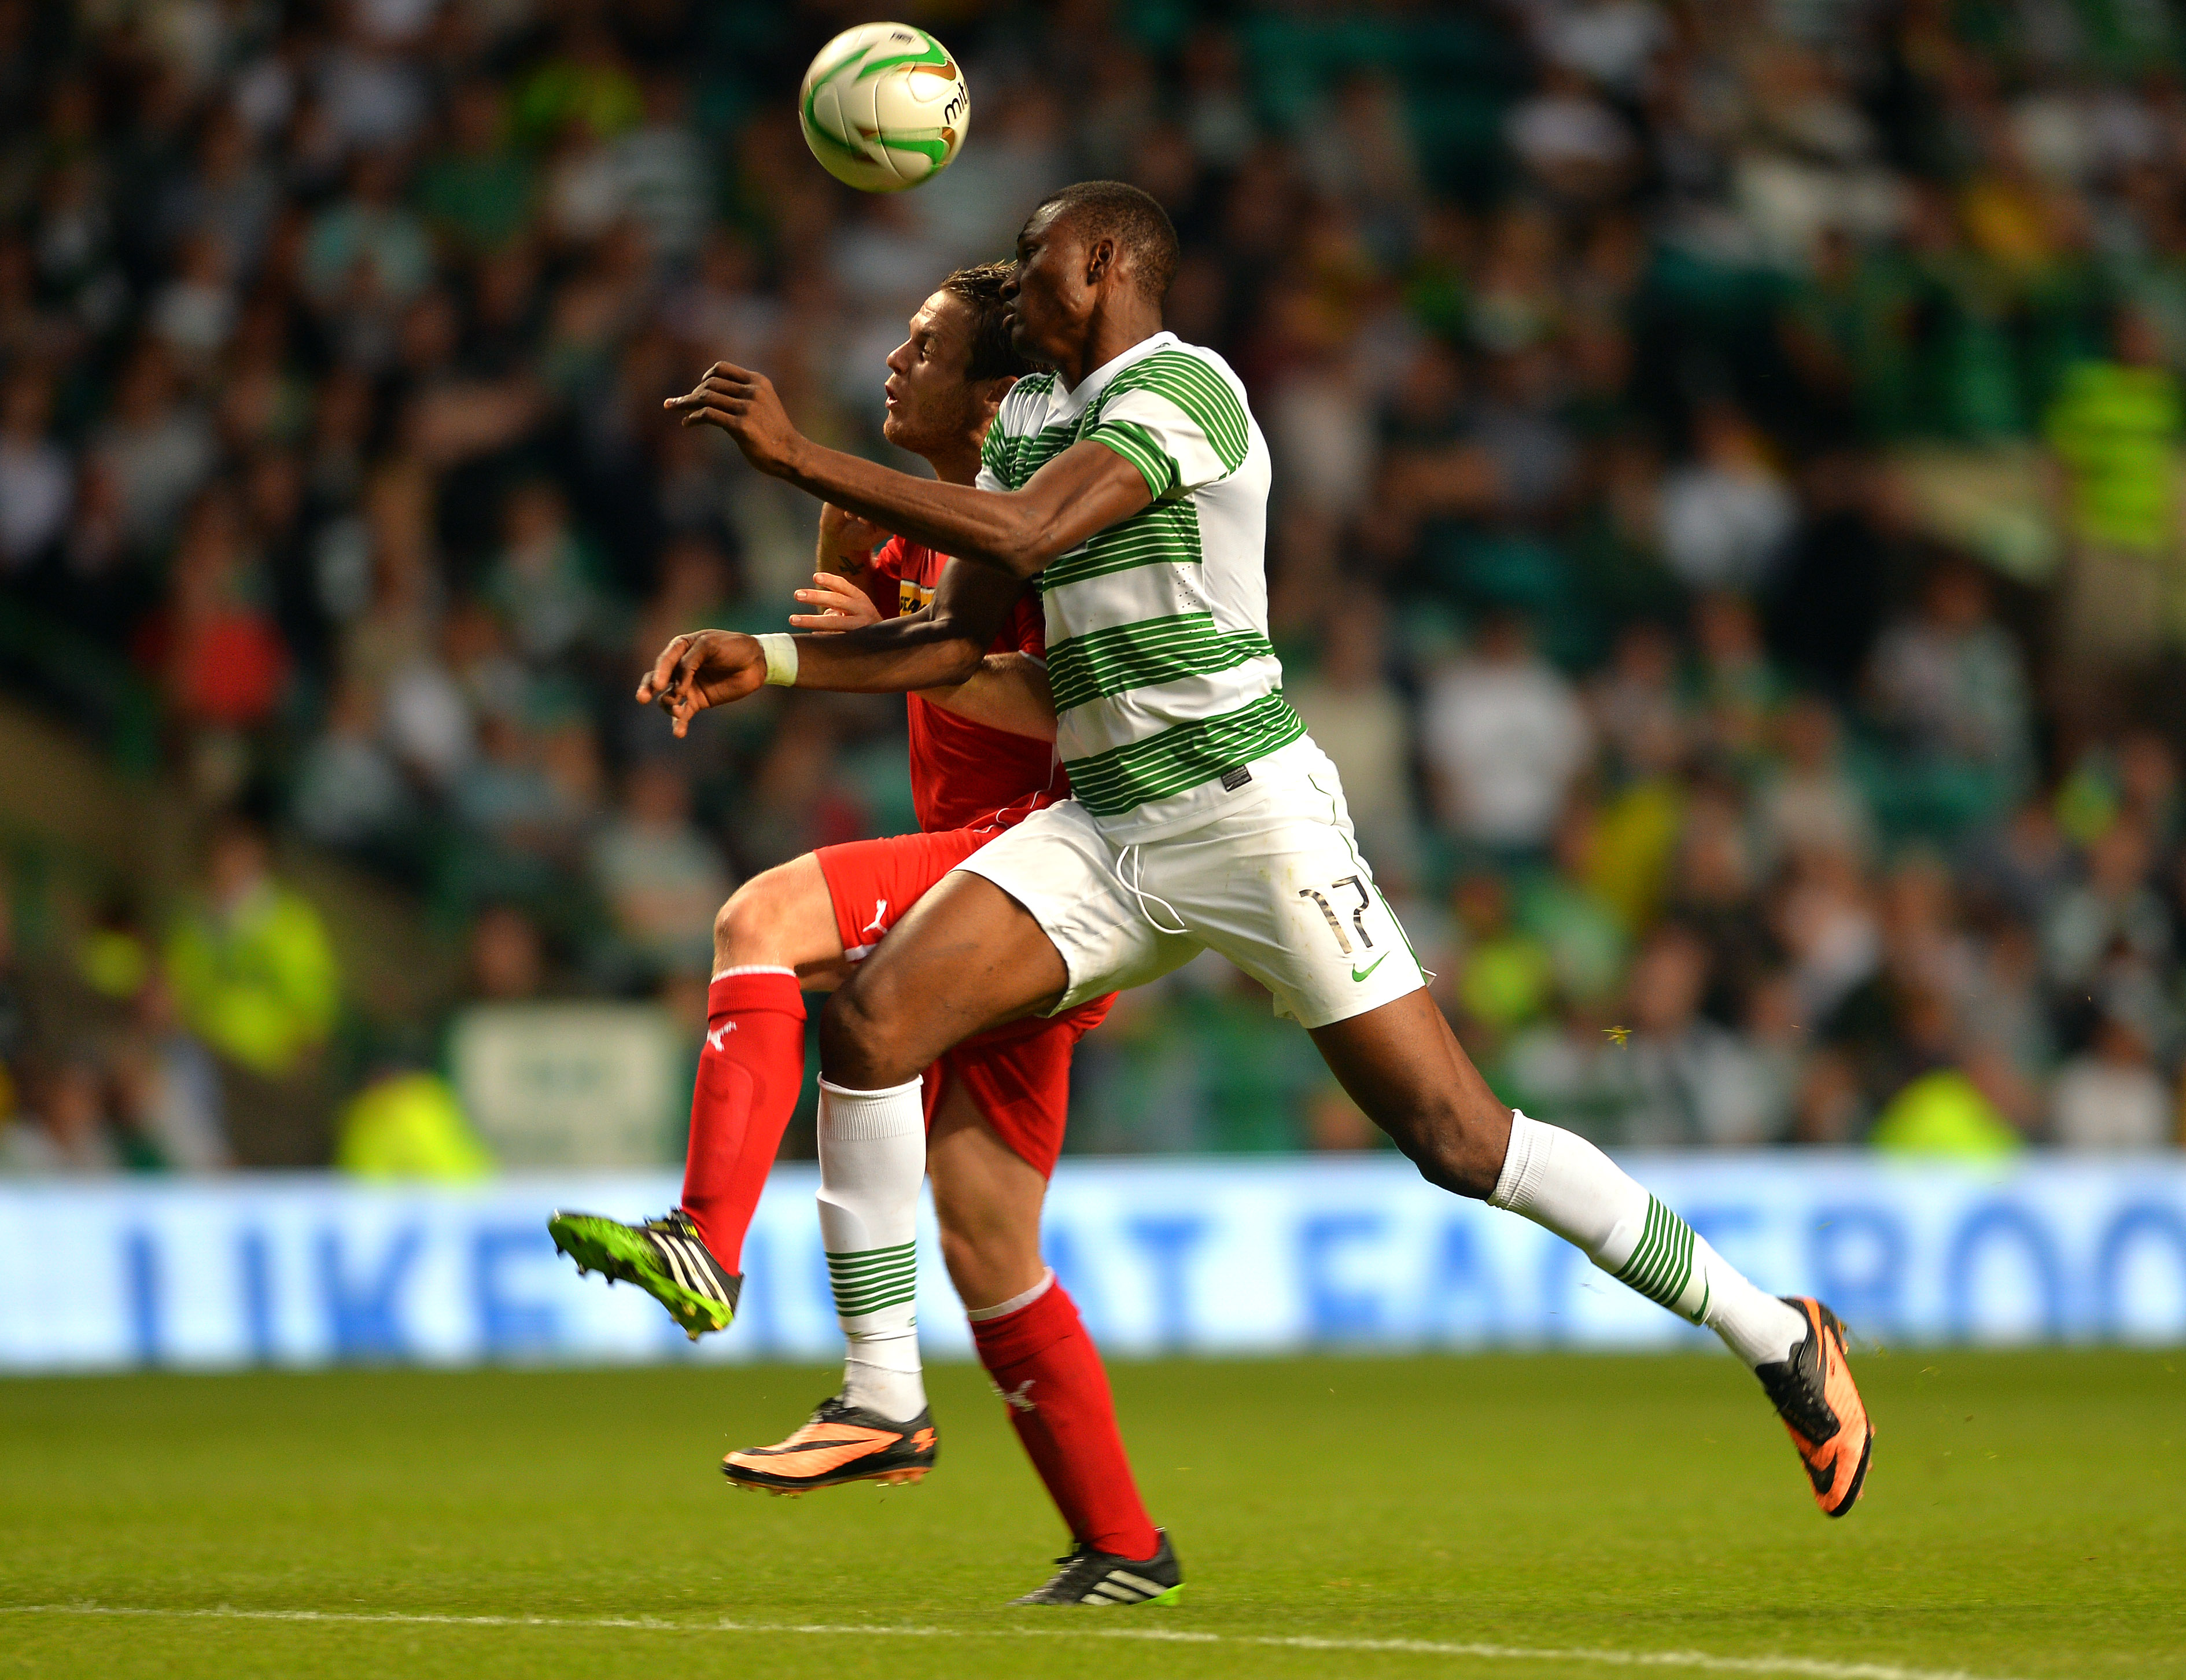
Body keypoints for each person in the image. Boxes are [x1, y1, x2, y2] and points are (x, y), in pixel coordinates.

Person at [654, 181, 1874, 1535]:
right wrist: (765, 658)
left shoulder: (1190, 391)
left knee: (1460, 1140)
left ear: (1106, 261)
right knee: (877, 1020)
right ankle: (884, 1400)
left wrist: (799, 459)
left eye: (1038, 252)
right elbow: (959, 642)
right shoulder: (1041, 421)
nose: (1019, 269)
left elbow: (1036, 536)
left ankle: (1776, 1332)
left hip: (1250, 818)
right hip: (1106, 828)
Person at [548, 262, 1175, 1606]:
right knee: (989, 1244)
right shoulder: (931, 518)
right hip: (1016, 906)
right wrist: (835, 497)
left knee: (760, 916)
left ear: (1001, 392)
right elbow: (843, 621)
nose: (894, 361)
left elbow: (1082, 704)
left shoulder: (1043, 526)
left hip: (1042, 866)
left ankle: (707, 1245)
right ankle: (1124, 1549)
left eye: (925, 345)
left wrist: (900, 635)